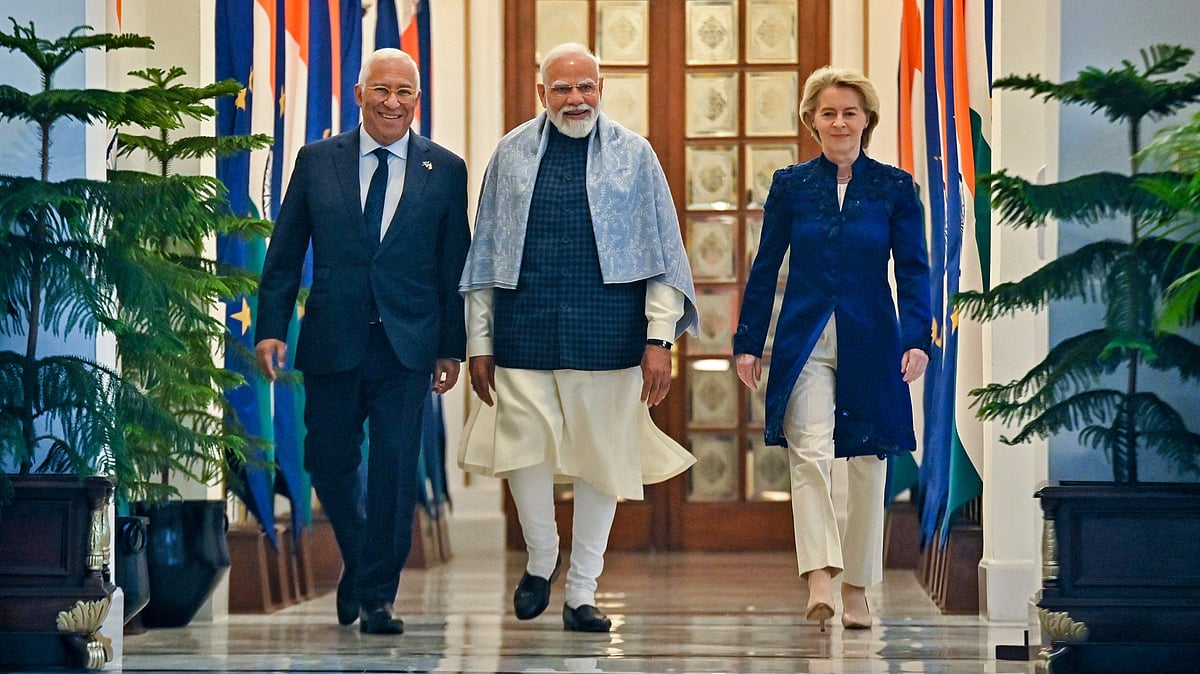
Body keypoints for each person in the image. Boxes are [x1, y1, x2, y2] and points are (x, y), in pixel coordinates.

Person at [458, 42, 698, 633]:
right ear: (541, 94)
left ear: (601, 90)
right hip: (524, 327)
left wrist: (659, 340)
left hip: (609, 332)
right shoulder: (510, 154)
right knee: (521, 448)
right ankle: (542, 558)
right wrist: (479, 341)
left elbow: (662, 254)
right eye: (562, 88)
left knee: (602, 462)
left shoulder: (635, 156)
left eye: (585, 86)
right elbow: (486, 251)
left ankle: (583, 591)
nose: (575, 98)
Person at [255, 48, 470, 635]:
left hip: (409, 344)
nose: (392, 102)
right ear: (359, 95)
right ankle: (360, 561)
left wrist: (453, 347)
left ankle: (377, 596)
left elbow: (455, 265)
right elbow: (285, 250)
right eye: (381, 91)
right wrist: (271, 325)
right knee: (326, 459)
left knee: (395, 469)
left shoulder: (446, 171)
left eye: (404, 92)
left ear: (417, 101)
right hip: (333, 335)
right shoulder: (317, 160)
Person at [733, 66, 932, 632]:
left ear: (867, 120)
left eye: (849, 112)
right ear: (811, 122)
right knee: (811, 452)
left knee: (870, 464)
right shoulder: (791, 185)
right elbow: (765, 264)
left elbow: (915, 271)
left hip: (874, 338)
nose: (839, 122)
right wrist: (749, 342)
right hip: (805, 339)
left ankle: (858, 590)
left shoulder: (895, 188)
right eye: (828, 112)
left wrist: (918, 337)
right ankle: (820, 575)